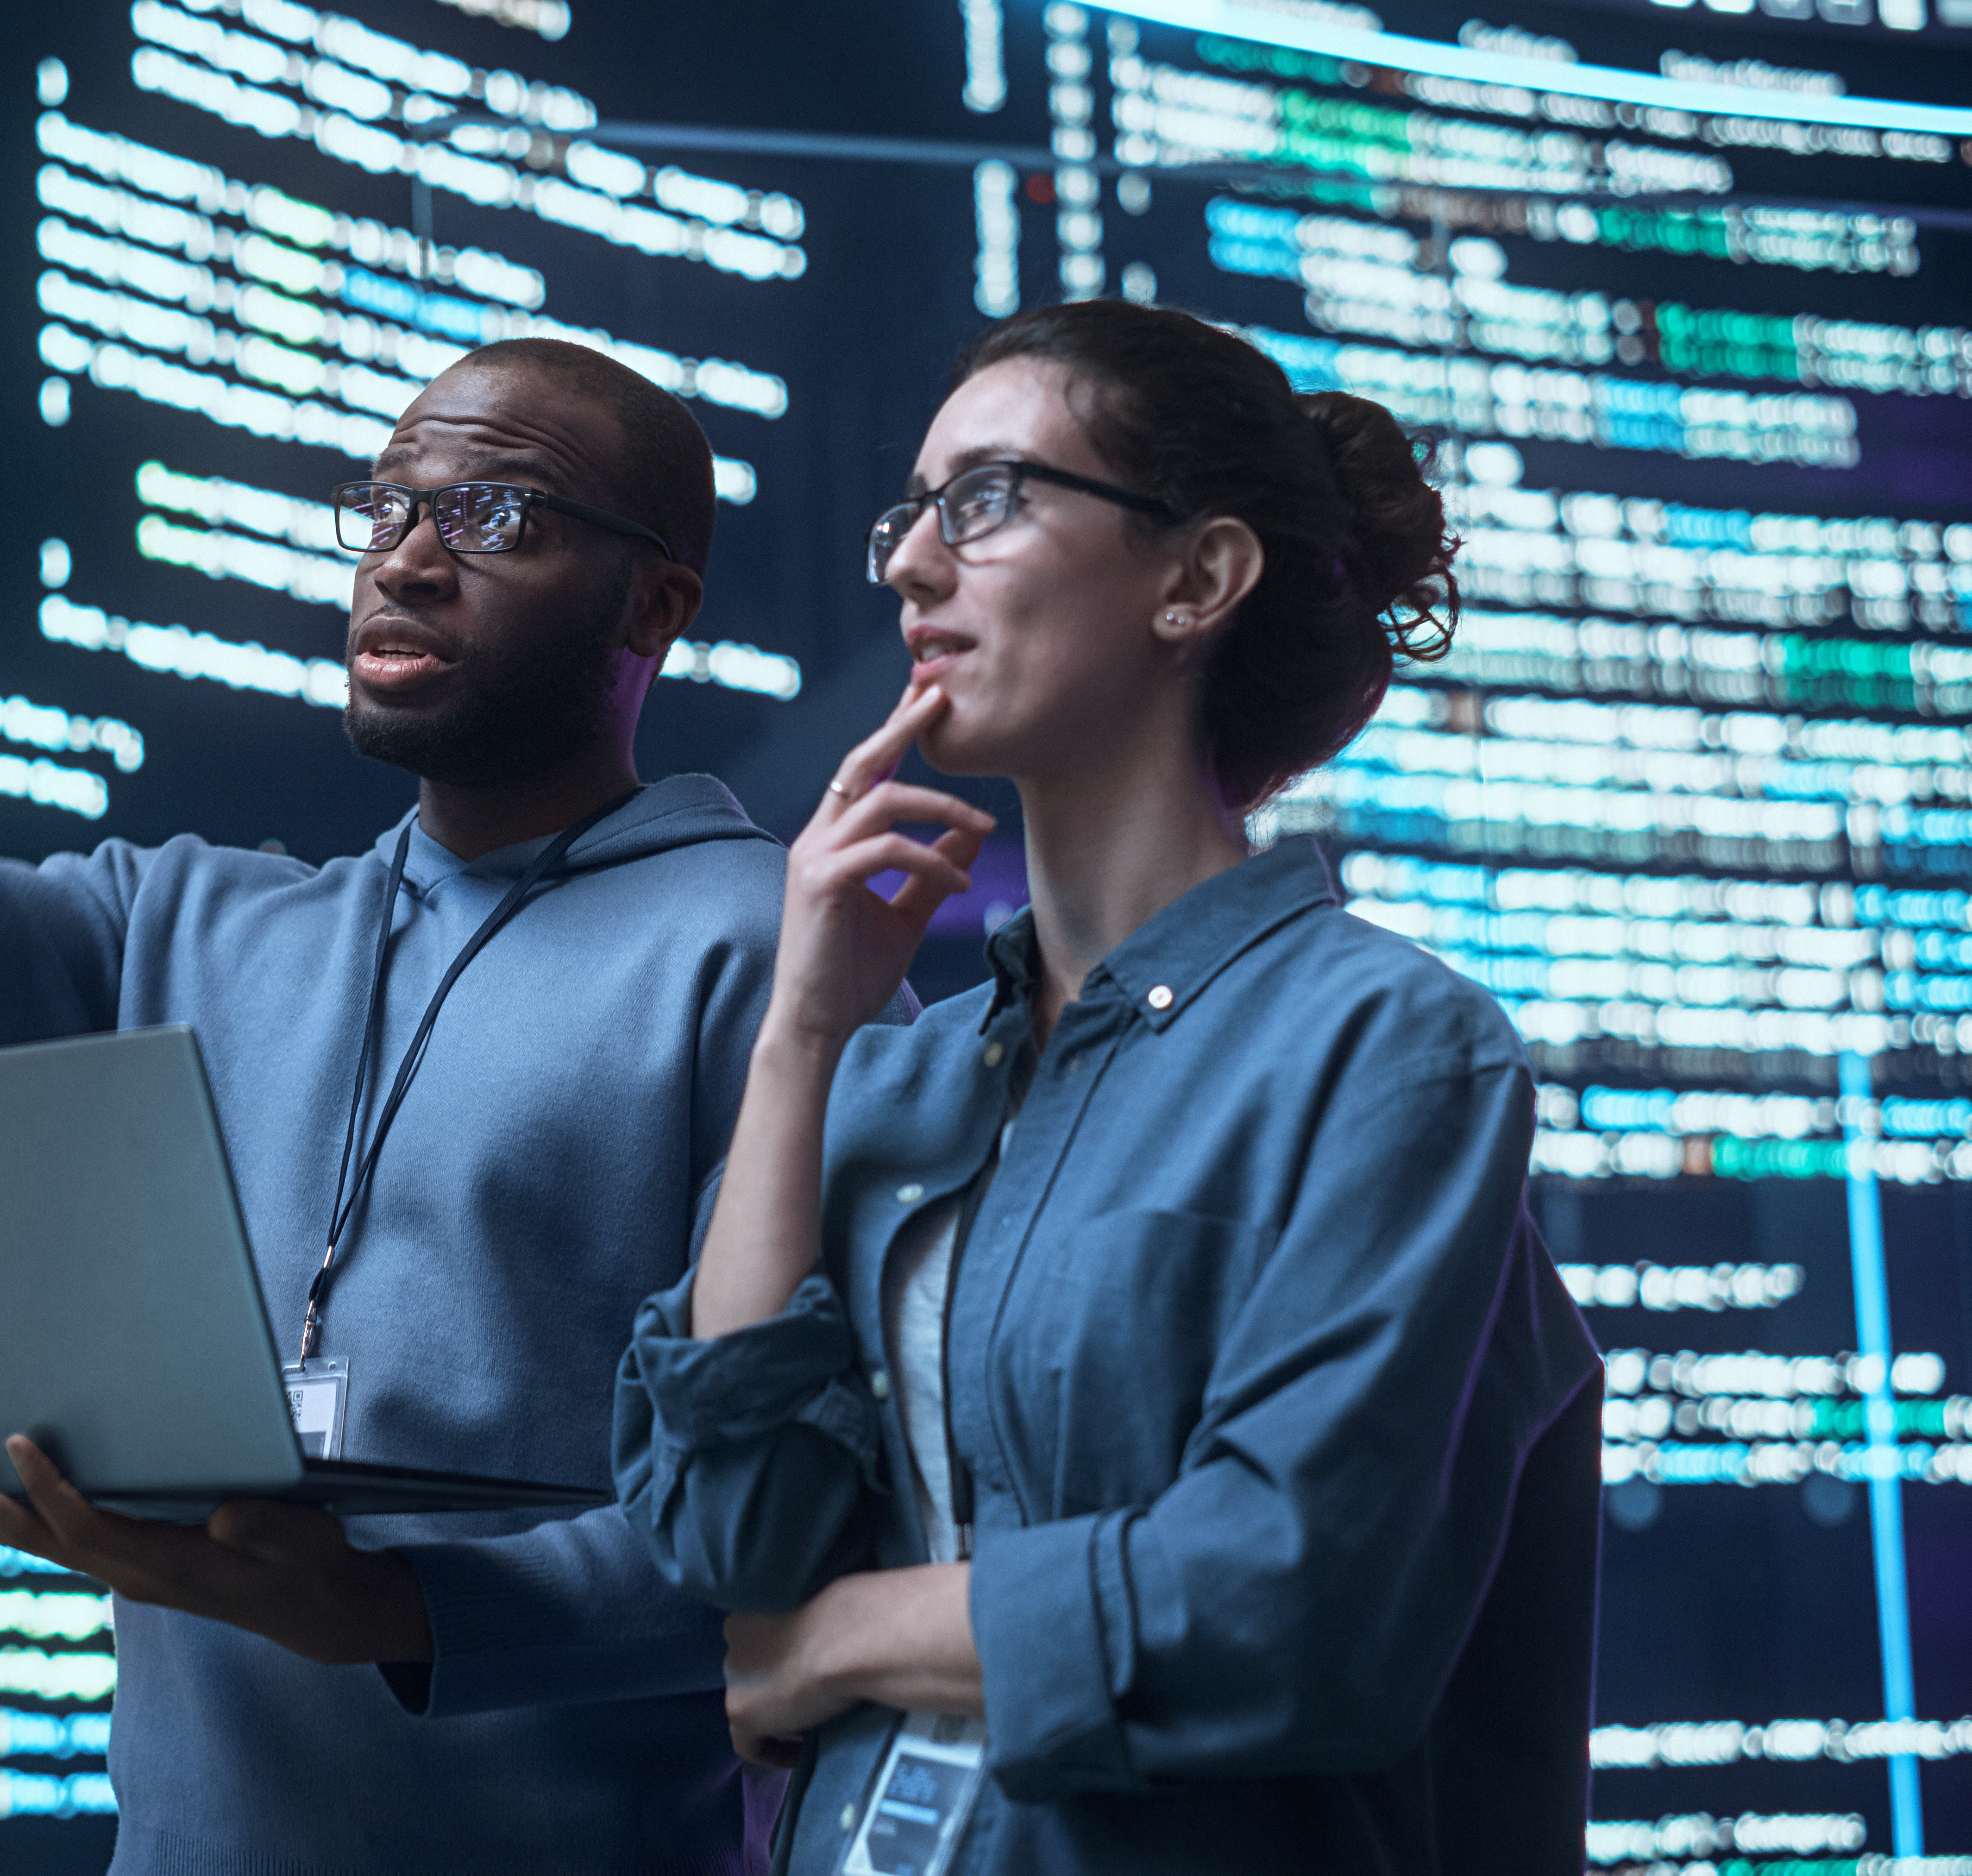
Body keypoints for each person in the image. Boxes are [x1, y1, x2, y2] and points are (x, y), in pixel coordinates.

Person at [0, 107, 854, 1871]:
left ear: (653, 603)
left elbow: (813, 1526)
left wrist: (400, 1602)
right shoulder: (187, 923)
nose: (406, 554)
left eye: (495, 510)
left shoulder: (773, 947)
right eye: (387, 503)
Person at [610, 299, 1603, 1874]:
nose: (910, 565)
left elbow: (1292, 1606)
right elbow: (731, 1540)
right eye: (911, 513)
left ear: (1198, 578)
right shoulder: (894, 1072)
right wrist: (800, 1039)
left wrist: (846, 1633)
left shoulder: (1386, 1044)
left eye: (987, 499)